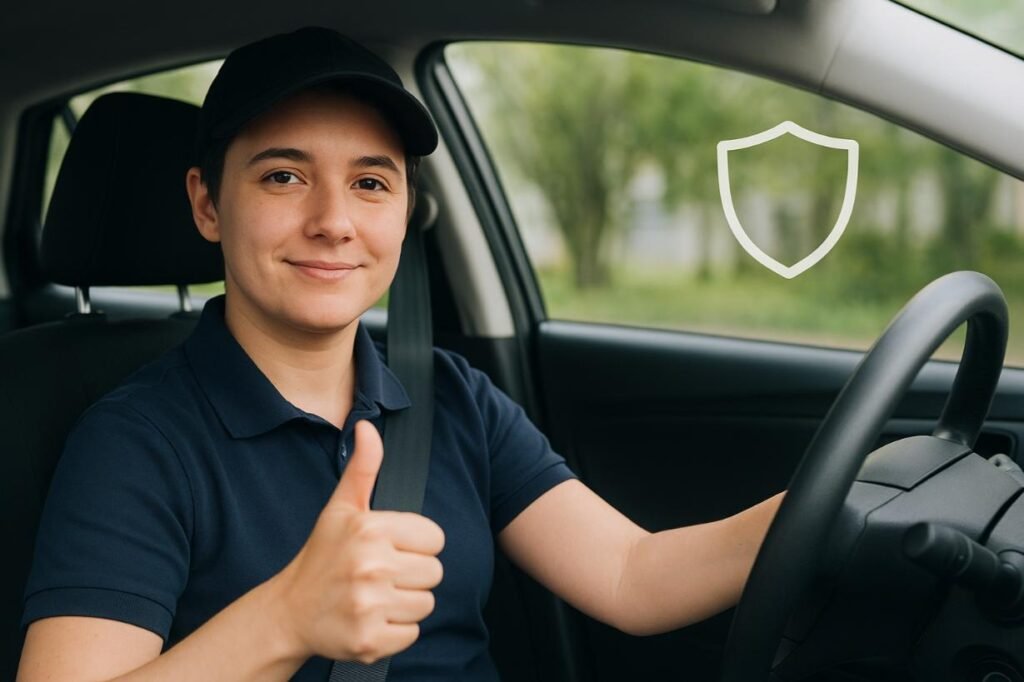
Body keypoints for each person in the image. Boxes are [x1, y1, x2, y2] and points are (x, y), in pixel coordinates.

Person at [18, 27, 785, 682]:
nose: (334, 221)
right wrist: (285, 619)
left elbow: (630, 575)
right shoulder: (138, 440)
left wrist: (833, 501)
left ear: (406, 210)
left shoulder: (452, 397)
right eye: (284, 176)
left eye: (371, 182)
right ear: (208, 203)